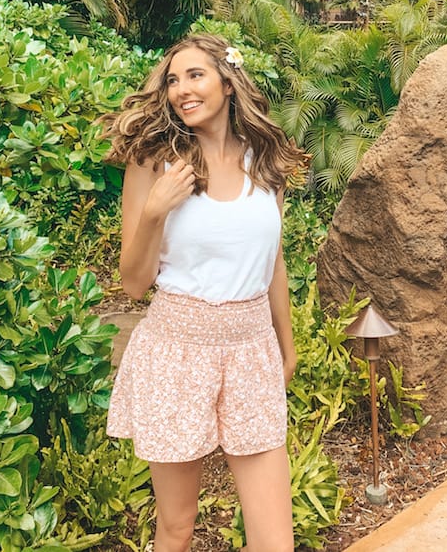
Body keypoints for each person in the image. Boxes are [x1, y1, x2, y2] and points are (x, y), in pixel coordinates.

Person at [101, 33, 308, 552]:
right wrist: (155, 210)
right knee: (177, 527)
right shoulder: (154, 163)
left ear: (228, 81)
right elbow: (132, 283)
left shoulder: (265, 160)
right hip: (176, 351)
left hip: (251, 350)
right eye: (173, 79)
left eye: (194, 75)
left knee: (274, 538)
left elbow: (273, 262)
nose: (181, 90)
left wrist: (287, 345)